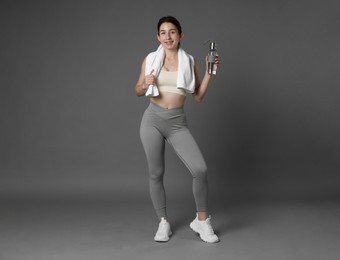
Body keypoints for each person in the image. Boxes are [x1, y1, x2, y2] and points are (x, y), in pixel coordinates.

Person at [134, 16, 220, 243]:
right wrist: (146, 83)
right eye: (163, 32)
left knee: (199, 169)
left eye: (172, 32)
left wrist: (211, 73)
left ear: (180, 35)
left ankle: (201, 221)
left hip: (177, 123)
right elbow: (137, 90)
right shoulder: (151, 59)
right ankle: (163, 222)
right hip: (152, 119)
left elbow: (198, 96)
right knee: (156, 173)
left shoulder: (190, 61)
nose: (168, 37)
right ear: (158, 37)